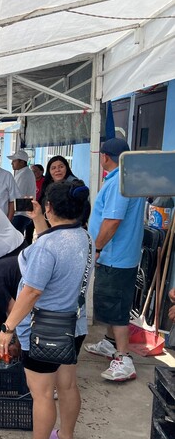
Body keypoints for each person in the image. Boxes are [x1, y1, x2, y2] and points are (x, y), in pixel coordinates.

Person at [0, 180, 93, 439]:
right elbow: (56, 250)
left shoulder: (46, 247)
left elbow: (31, 292)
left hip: (44, 331)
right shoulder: (84, 236)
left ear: (50, 206)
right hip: (72, 325)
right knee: (68, 385)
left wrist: (8, 327)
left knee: (41, 395)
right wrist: (40, 219)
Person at [84, 138, 144, 382]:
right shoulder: (128, 179)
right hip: (119, 255)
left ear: (105, 157)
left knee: (116, 308)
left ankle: (124, 358)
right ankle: (109, 344)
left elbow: (112, 221)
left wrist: (97, 248)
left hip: (115, 257)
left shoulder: (119, 182)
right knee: (110, 304)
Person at [39, 156, 90, 227]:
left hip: (72, 228)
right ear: (49, 171)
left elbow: (85, 206)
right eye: (53, 168)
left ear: (67, 168)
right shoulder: (47, 186)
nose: (57, 170)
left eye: (61, 167)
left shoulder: (75, 185)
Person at [8, 150, 37, 234]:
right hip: (21, 212)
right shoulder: (22, 172)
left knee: (16, 240)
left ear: (21, 162)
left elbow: (18, 195)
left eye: (14, 161)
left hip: (21, 213)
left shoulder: (24, 174)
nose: (12, 163)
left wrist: (12, 213)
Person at [25, 164, 45, 244]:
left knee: (41, 231)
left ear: (42, 171)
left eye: (36, 171)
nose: (34, 173)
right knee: (29, 230)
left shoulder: (45, 181)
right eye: (32, 171)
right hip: (30, 208)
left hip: (41, 209)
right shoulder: (29, 181)